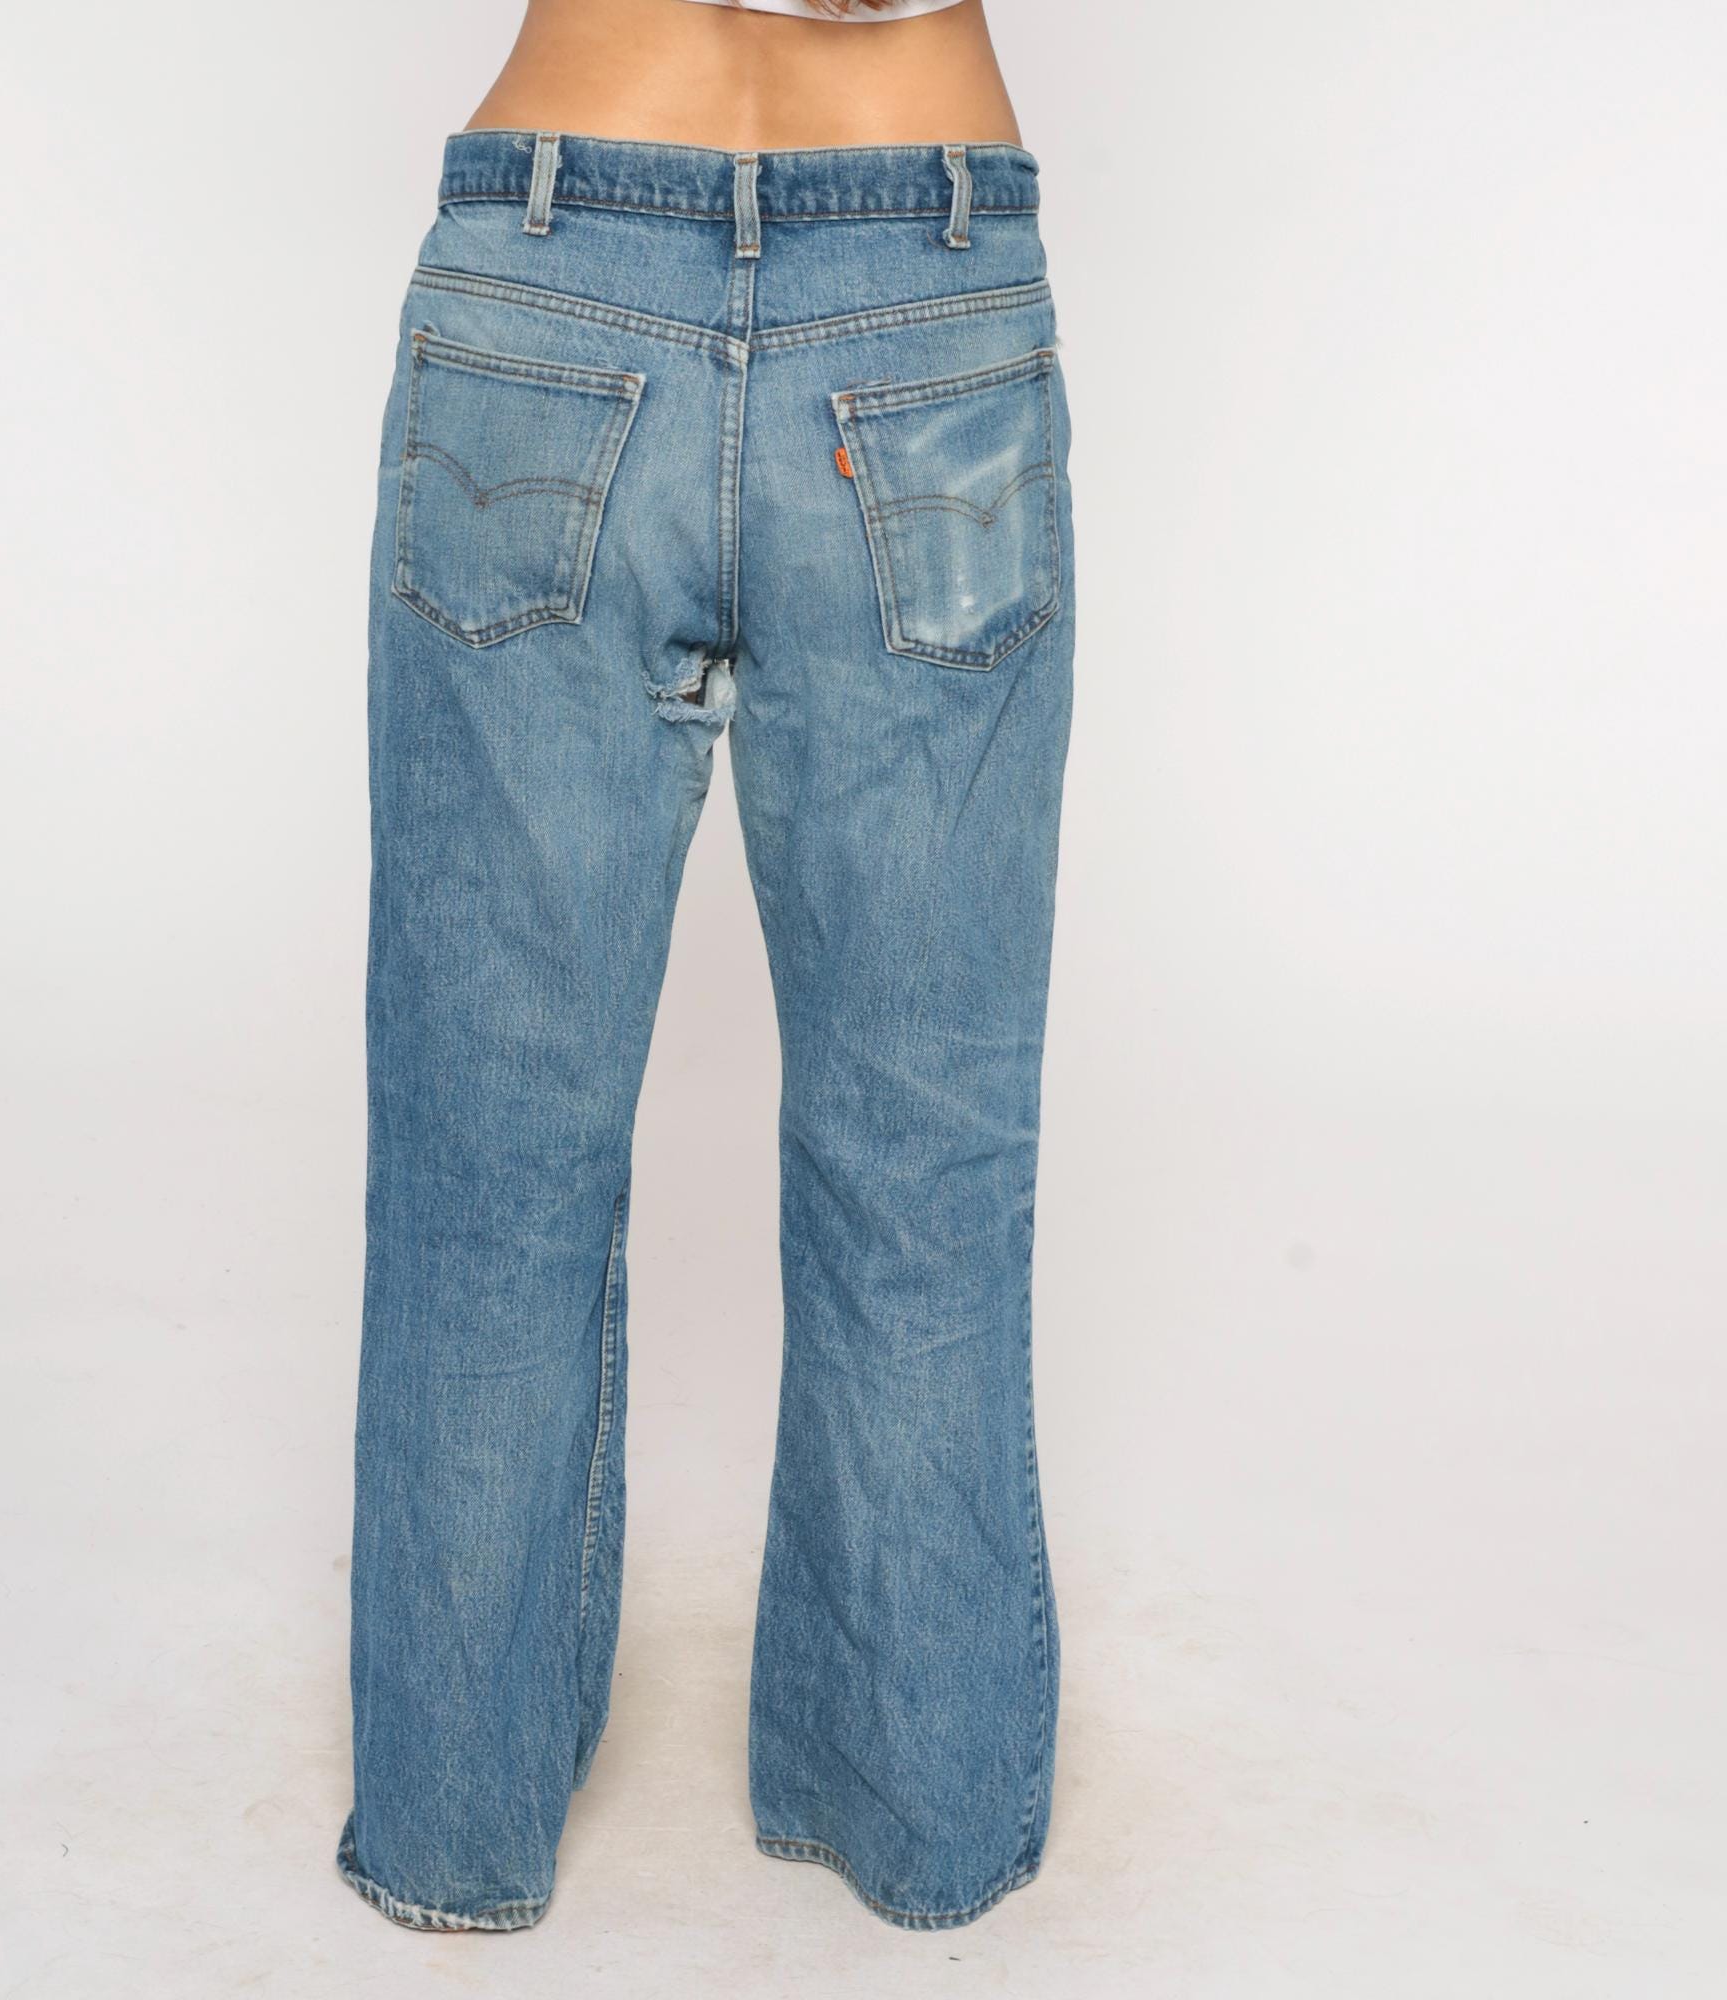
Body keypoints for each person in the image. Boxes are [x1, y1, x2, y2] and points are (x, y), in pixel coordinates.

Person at [340, 0, 1075, 1934]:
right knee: (917, 1158)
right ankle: (920, 1804)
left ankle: (454, 1814)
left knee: (488, 1151)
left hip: (556, 264)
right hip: (919, 277)